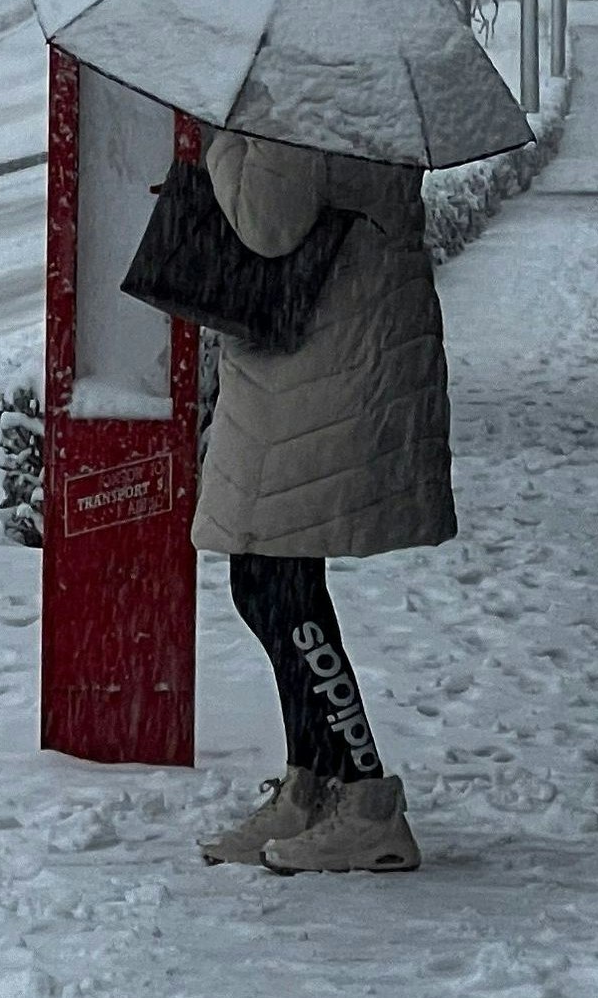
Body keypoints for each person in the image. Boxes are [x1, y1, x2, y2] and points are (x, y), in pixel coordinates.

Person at [190, 123, 449, 875]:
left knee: (276, 584)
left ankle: (366, 800)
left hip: (324, 364)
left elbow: (267, 223)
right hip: (314, 359)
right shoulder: (339, 85)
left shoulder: (305, 91)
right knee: (274, 579)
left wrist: (226, 137)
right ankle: (314, 784)